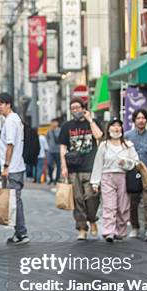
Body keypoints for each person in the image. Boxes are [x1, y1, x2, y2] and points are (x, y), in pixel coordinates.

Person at [60, 98, 104, 240]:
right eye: (72, 108)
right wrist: (63, 166)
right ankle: (81, 228)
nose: (75, 111)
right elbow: (63, 148)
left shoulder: (92, 123)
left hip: (91, 167)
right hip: (74, 168)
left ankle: (92, 219)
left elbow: (99, 136)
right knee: (78, 198)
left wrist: (90, 119)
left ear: (84, 108)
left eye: (78, 108)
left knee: (92, 196)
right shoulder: (67, 126)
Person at [90, 118, 139, 242]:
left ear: (122, 129)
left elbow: (135, 162)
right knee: (109, 206)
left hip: (123, 177)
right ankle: (109, 232)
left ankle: (120, 231)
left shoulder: (128, 145)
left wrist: (125, 162)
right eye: (113, 126)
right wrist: (95, 182)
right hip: (107, 177)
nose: (116, 128)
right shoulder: (104, 145)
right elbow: (98, 163)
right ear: (109, 129)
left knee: (123, 207)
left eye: (118, 126)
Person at [0, 92, 30, 245]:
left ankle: (22, 233)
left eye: (0, 104)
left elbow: (10, 144)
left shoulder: (10, 121)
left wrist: (6, 167)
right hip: (17, 166)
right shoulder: (15, 119)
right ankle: (19, 232)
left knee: (15, 201)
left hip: (13, 167)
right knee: (16, 201)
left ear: (8, 104)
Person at [126, 109, 147, 241]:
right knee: (132, 202)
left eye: (143, 118)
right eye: (138, 118)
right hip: (132, 173)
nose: (141, 120)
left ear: (146, 120)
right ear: (134, 120)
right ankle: (135, 227)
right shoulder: (127, 136)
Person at [47, 118, 62, 184]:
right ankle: (51, 178)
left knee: (58, 165)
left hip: (58, 150)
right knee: (49, 164)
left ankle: (57, 179)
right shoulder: (49, 131)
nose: (52, 124)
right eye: (51, 122)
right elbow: (47, 139)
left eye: (53, 122)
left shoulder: (60, 130)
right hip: (50, 150)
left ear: (57, 123)